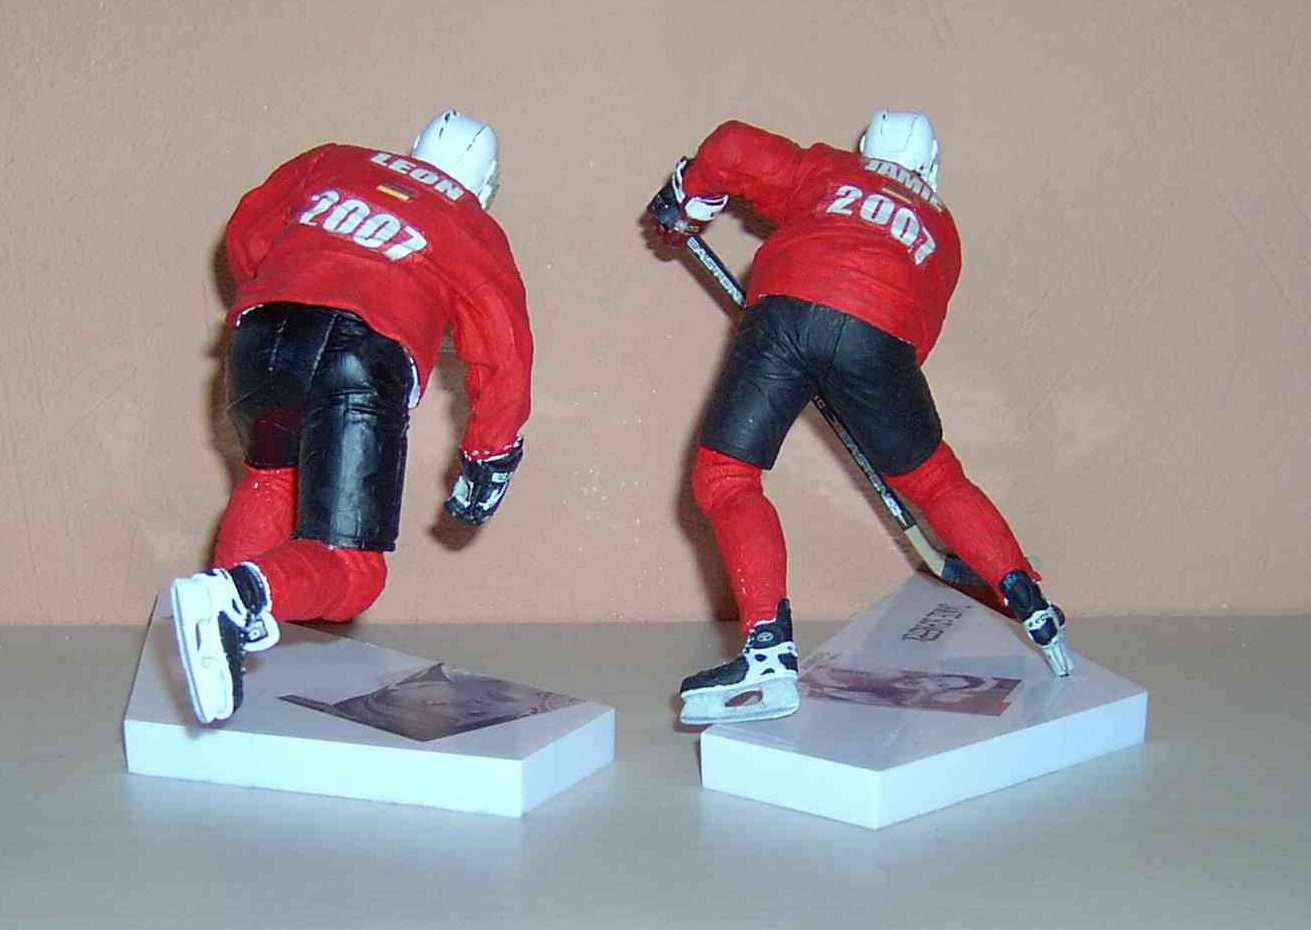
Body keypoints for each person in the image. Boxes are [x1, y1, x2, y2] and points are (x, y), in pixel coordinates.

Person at [652, 111, 1072, 725]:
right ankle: (1032, 602)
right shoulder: (944, 232)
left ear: (866, 148)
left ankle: (767, 653)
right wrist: (862, 380)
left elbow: (733, 146)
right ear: (931, 168)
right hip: (879, 340)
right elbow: (919, 328)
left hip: (786, 310)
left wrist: (691, 199)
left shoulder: (832, 171)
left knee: (726, 478)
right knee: (935, 481)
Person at [169, 109, 533, 725]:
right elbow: (503, 350)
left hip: (261, 334)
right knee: (352, 570)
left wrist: (290, 289)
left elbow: (248, 230)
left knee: (270, 480)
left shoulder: (334, 159)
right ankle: (239, 597)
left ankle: (220, 635)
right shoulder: (471, 226)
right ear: (489, 182)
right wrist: (490, 453)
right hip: (360, 353)